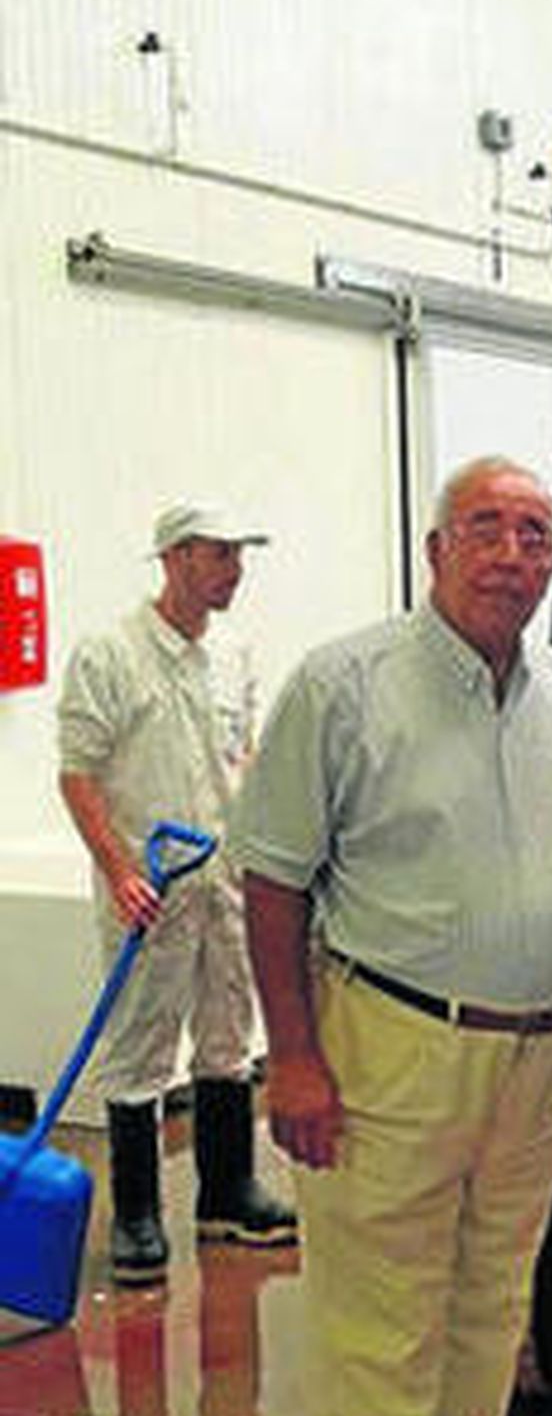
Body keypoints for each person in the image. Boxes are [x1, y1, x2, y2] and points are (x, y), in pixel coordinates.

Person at [231, 457, 552, 1416]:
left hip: (540, 1051)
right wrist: (293, 1055)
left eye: (534, 531)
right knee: (379, 1332)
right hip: (389, 1042)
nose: (513, 551)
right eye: (487, 529)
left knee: (489, 1308)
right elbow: (274, 878)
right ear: (436, 547)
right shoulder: (346, 685)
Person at [57, 502, 297, 1288]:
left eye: (240, 555)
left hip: (224, 878)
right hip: (151, 890)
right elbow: (78, 773)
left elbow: (245, 754)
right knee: (141, 1047)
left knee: (229, 1033)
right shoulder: (111, 655)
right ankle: (136, 1216)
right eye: (221, 554)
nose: (235, 571)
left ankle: (227, 1195)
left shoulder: (233, 653)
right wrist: (121, 868)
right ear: (175, 556)